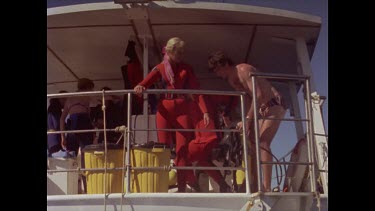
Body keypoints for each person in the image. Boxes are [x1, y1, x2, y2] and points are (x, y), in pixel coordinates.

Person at [134, 37, 211, 192]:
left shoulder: (186, 69)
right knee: (163, 150)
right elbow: (143, 84)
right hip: (164, 111)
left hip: (182, 110)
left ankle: (182, 189)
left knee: (182, 152)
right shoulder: (160, 68)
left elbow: (196, 91)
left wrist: (205, 111)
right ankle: (164, 187)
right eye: (179, 52)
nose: (181, 55)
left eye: (183, 52)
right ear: (169, 51)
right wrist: (139, 88)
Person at [208, 50, 287, 192]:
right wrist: (246, 122)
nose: (217, 74)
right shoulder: (232, 80)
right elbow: (249, 99)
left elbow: (258, 95)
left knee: (263, 142)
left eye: (217, 69)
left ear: (225, 64)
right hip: (261, 109)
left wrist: (247, 120)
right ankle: (255, 183)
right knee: (252, 141)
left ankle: (266, 187)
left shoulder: (243, 69)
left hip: (274, 104)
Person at [47, 90, 67, 157]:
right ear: (62, 99)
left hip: (51, 138)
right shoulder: (55, 109)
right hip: (55, 139)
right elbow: (57, 124)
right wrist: (67, 126)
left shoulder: (52, 108)